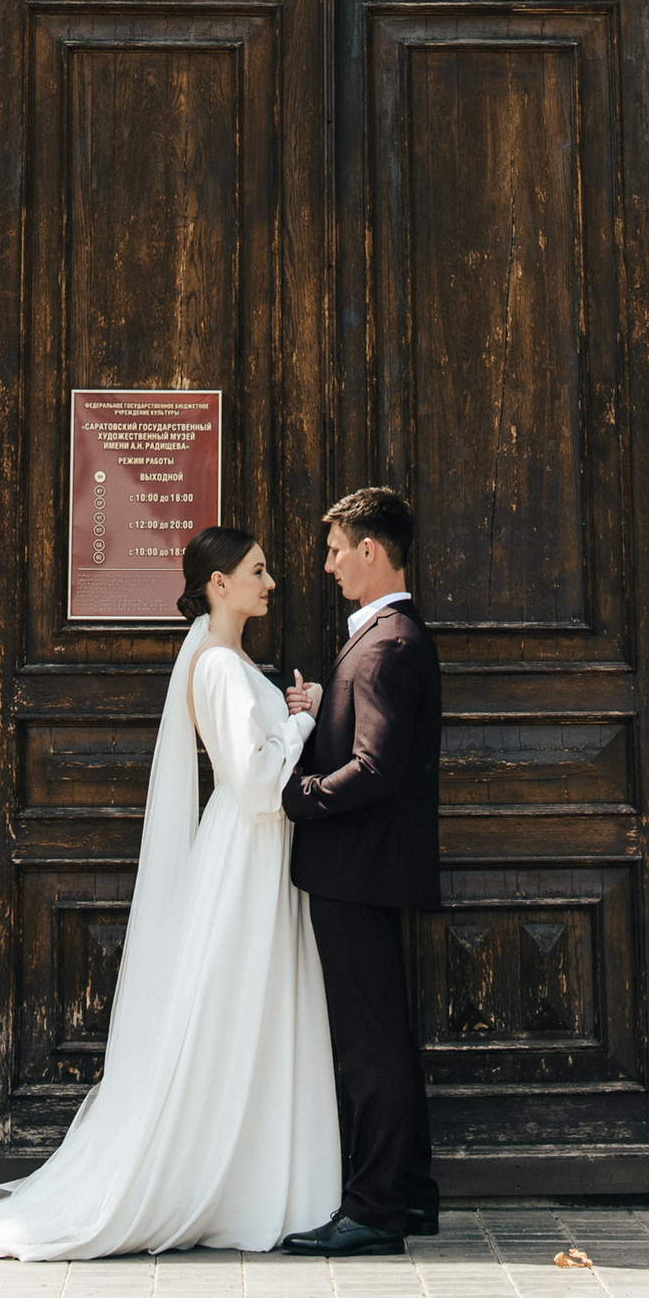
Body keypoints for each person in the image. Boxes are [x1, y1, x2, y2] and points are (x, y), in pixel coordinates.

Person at [0, 526, 339, 1259]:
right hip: (249, 849)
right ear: (219, 584)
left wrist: (289, 717)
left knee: (248, 1002)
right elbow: (256, 787)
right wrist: (303, 721)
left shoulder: (227, 661)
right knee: (238, 998)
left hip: (254, 850)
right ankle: (237, 1182)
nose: (271, 582)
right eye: (258, 571)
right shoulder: (220, 667)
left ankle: (250, 1174)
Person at [278, 486, 442, 1257]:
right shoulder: (385, 637)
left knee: (369, 1046)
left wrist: (298, 794)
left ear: (370, 550)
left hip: (356, 870)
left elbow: (374, 767)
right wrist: (323, 706)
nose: (328, 564)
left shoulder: (387, 643)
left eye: (337, 549)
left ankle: (375, 1209)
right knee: (384, 1036)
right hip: (366, 869)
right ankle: (410, 1196)